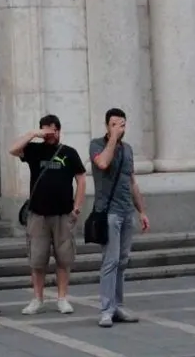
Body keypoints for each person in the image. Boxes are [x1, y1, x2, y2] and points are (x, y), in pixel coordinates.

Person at [9, 114, 87, 315]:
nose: (49, 134)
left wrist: (77, 207)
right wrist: (32, 134)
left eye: (53, 129)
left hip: (63, 214)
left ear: (59, 130)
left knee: (64, 259)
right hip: (38, 215)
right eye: (45, 130)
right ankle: (38, 298)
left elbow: (81, 179)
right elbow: (13, 149)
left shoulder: (69, 153)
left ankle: (62, 298)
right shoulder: (34, 150)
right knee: (37, 259)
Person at [87, 107, 149, 328]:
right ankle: (106, 309)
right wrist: (112, 138)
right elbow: (102, 163)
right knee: (110, 261)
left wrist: (141, 211)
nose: (118, 128)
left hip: (126, 211)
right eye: (113, 124)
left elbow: (132, 182)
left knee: (122, 261)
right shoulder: (97, 144)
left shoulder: (128, 150)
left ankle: (118, 305)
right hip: (109, 212)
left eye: (121, 124)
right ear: (106, 126)